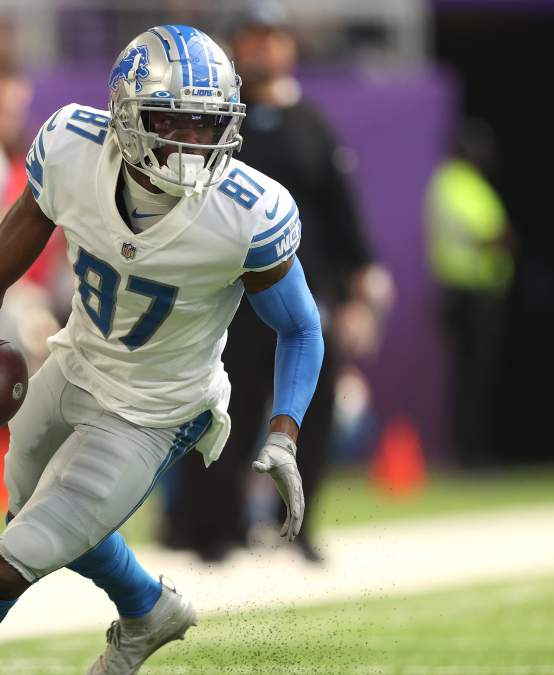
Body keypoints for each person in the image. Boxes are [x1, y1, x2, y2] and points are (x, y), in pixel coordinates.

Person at [0, 25, 323, 675]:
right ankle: (148, 607)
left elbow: (301, 327)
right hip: (72, 363)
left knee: (6, 565)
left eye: (206, 123)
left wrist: (284, 432)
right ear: (126, 115)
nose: (191, 142)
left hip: (155, 410)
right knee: (36, 518)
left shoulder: (248, 212)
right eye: (173, 120)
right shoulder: (71, 148)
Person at [166, 2, 391, 564]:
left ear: (288, 46)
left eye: (272, 37)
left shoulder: (311, 124)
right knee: (223, 409)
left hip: (301, 297)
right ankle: (211, 529)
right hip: (230, 298)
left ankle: (298, 525)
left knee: (311, 410)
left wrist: (361, 291)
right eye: (253, 37)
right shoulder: (216, 120)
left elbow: (342, 218)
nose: (263, 47)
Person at [425, 119, 514, 467]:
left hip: (475, 290)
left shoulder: (464, 183)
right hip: (467, 291)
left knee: (476, 375)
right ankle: (469, 452)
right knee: (472, 376)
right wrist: (500, 239)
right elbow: (481, 234)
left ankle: (473, 449)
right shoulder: (454, 182)